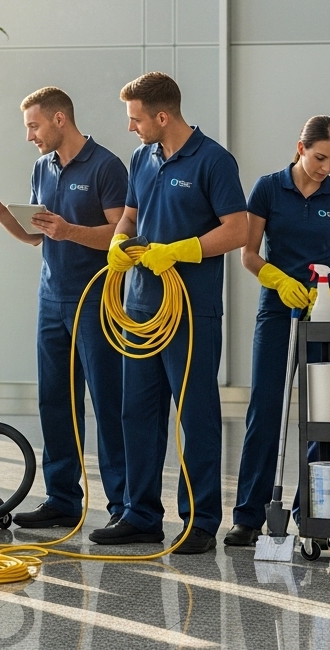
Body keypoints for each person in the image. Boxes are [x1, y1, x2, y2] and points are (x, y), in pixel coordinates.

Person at [88, 72, 248, 555]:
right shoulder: (142, 158)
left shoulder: (214, 160)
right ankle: (140, 516)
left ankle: (200, 521)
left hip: (192, 311)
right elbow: (130, 216)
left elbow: (237, 229)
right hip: (140, 308)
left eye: (136, 119)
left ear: (162, 116)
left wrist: (180, 250)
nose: (130, 127)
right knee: (136, 412)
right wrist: (118, 241)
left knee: (195, 415)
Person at [0, 87, 128, 529]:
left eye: (34, 126)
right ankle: (62, 499)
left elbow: (120, 233)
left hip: (96, 298)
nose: (30, 136)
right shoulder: (42, 167)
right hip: (51, 299)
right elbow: (36, 236)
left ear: (60, 119)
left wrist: (70, 231)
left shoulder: (106, 166)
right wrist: (3, 215)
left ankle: (122, 505)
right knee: (55, 401)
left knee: (107, 401)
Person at [227, 115, 330, 548]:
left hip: (325, 313)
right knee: (265, 409)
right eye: (320, 157)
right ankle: (249, 515)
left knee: (323, 414)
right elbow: (249, 254)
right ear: (300, 148)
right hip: (277, 309)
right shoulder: (268, 189)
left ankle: (316, 514)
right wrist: (279, 281)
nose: (326, 168)